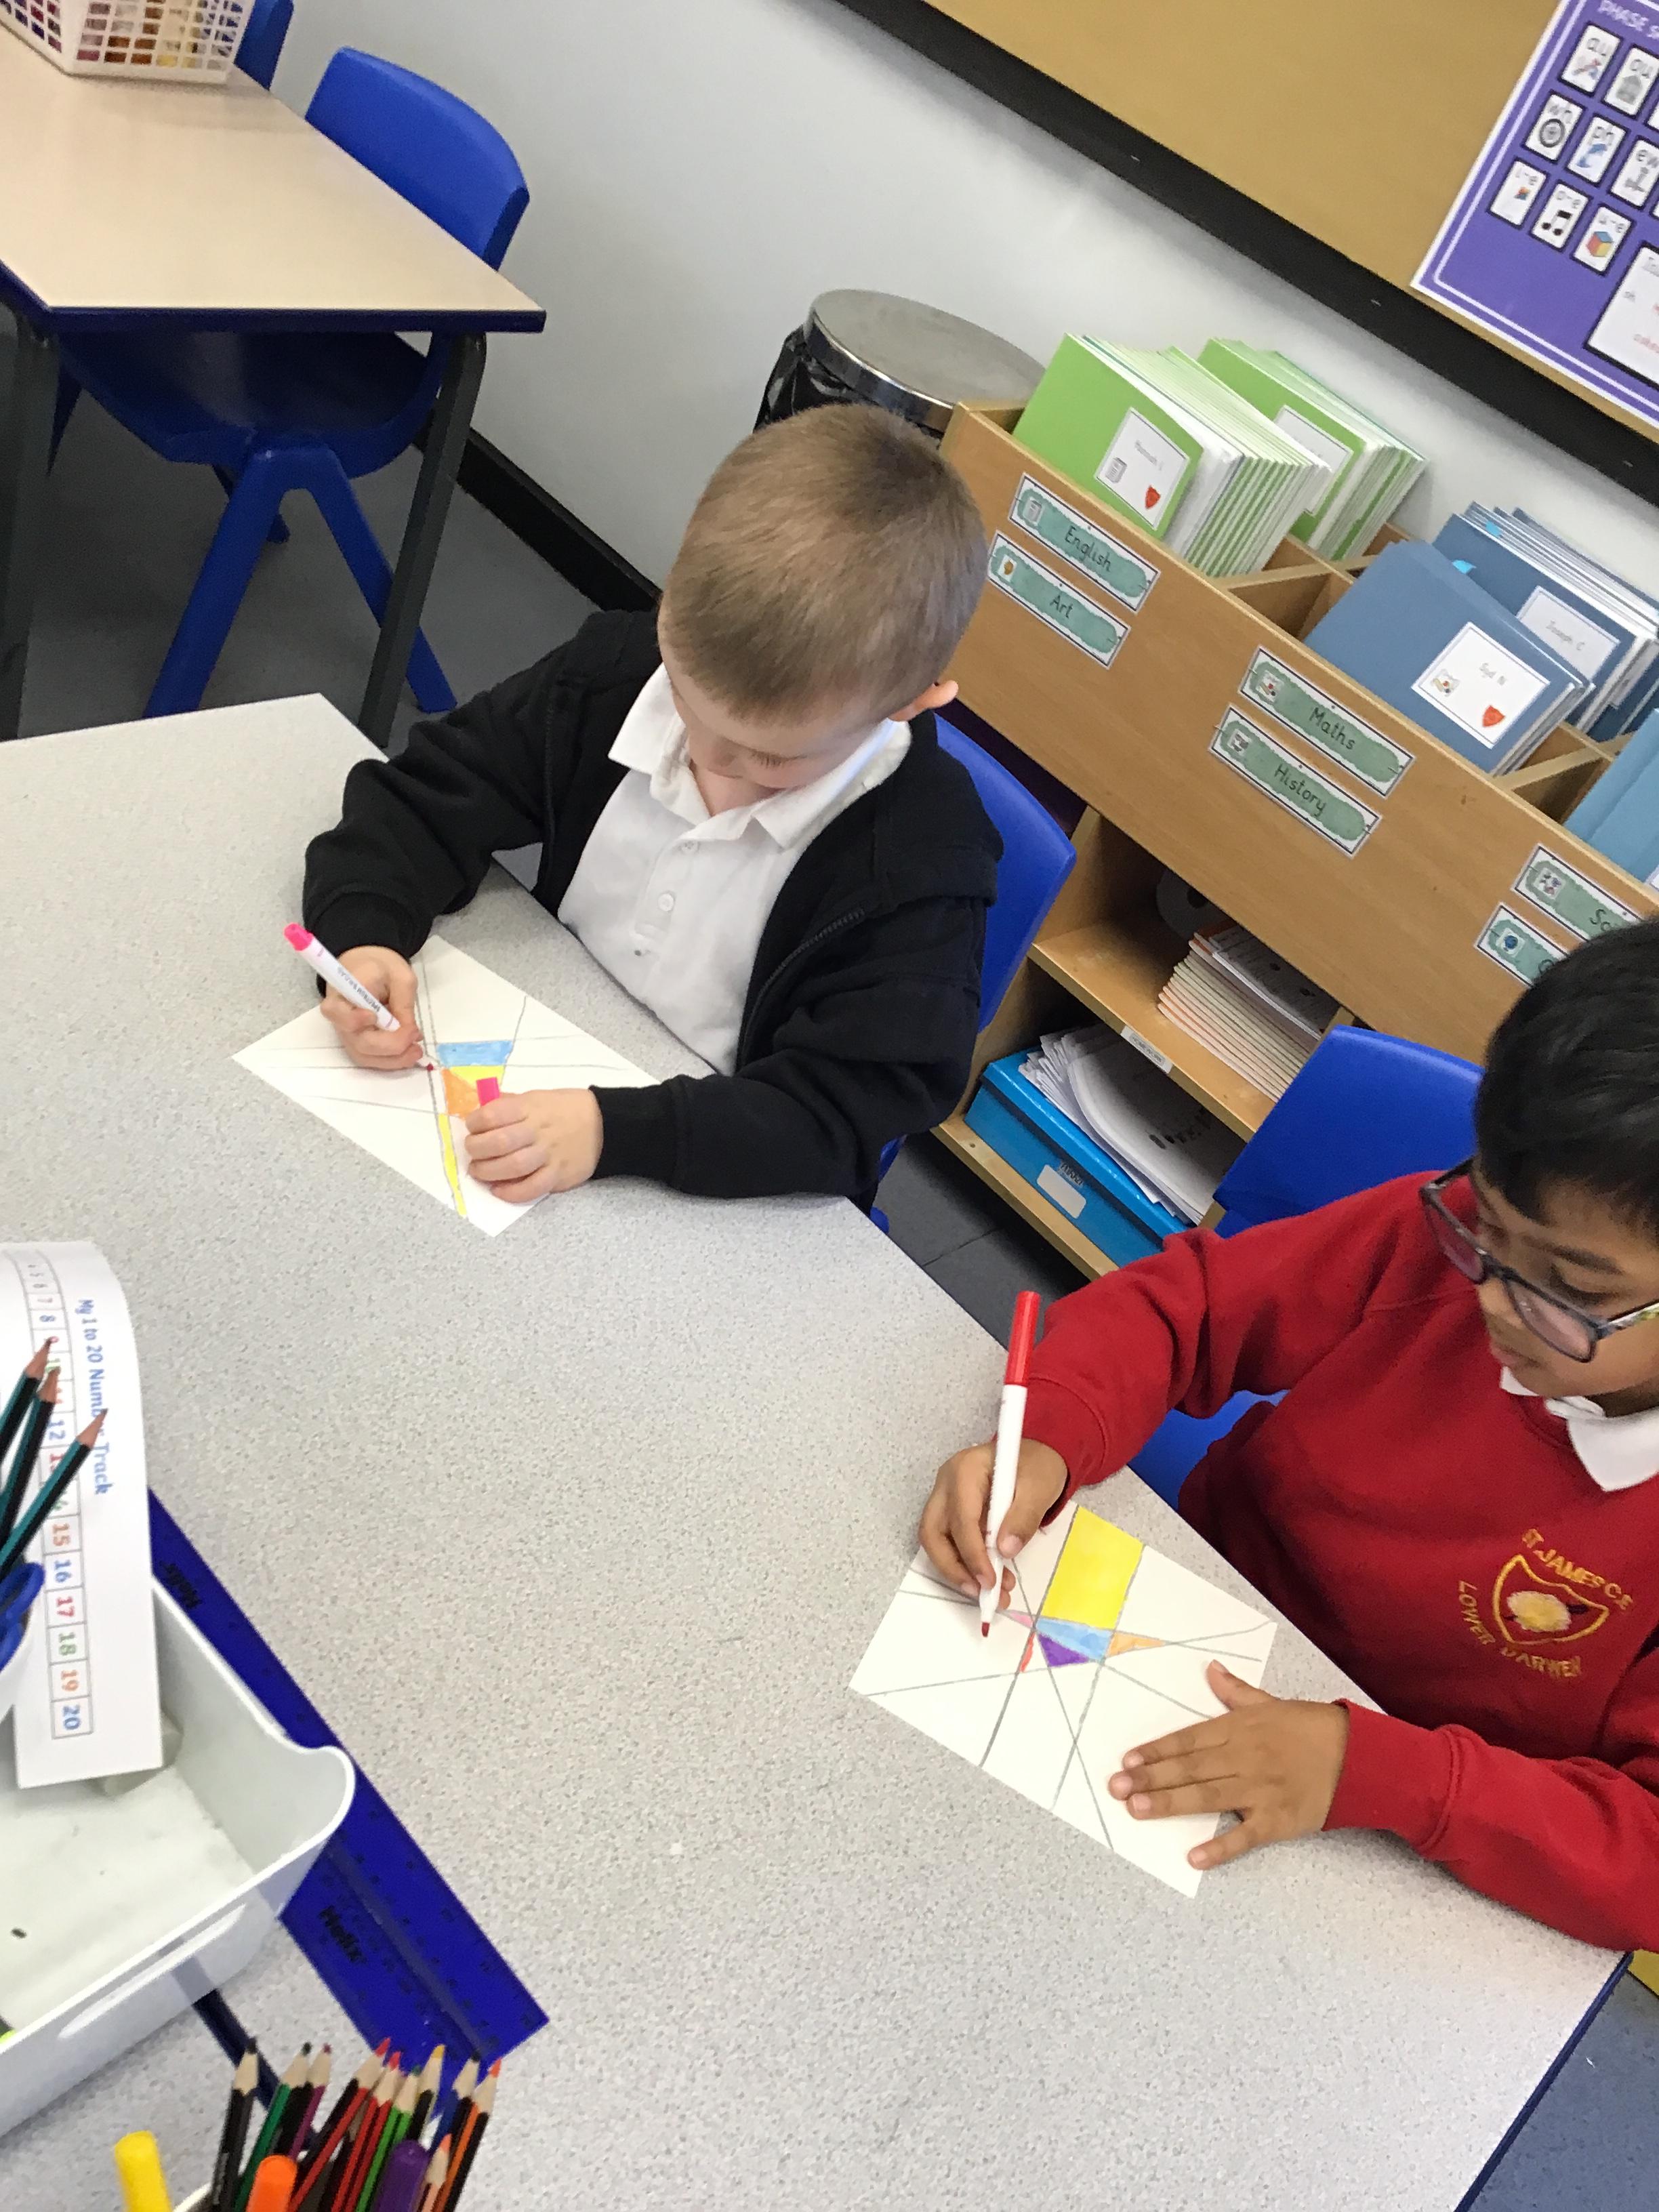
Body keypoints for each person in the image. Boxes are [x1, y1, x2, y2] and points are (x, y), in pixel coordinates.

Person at [920, 921, 1659, 1950]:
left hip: (1397, 1839)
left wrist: (1381, 1773)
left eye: (1571, 1288)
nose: (1492, 1296)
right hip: (1197, 1619)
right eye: (1485, 1226)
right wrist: (1047, 1434)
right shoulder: (1445, 1245)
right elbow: (1187, 1310)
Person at [301, 405, 1000, 1207]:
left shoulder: (919, 870)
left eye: (770, 758)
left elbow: (833, 1121)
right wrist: (364, 935)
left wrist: (616, 1132)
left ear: (911, 703)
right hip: (547, 1072)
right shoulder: (615, 675)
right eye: (687, 701)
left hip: (705, 1166)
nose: (708, 757)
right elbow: (426, 798)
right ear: (673, 601)